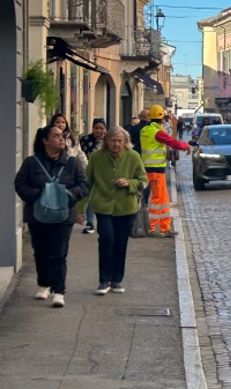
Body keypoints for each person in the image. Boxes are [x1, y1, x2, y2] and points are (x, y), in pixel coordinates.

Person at [14, 125, 89, 307]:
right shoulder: (32, 162)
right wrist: (38, 195)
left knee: (58, 252)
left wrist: (69, 195)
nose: (61, 139)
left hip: (63, 215)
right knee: (41, 251)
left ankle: (58, 290)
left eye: (62, 136)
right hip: (37, 214)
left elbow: (84, 185)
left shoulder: (72, 163)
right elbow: (20, 183)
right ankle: (43, 284)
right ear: (45, 141)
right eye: (55, 136)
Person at [81, 127, 148, 295]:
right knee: (106, 240)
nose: (116, 144)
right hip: (103, 206)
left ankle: (116, 280)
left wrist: (129, 183)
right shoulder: (96, 157)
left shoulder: (133, 156)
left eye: (120, 141)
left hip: (126, 207)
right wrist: (80, 209)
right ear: (106, 141)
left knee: (120, 243)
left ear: (125, 142)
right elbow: (87, 183)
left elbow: (143, 180)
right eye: (113, 140)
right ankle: (104, 280)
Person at [140, 105, 190, 237]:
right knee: (157, 199)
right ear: (162, 119)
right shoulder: (158, 132)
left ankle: (164, 227)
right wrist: (186, 146)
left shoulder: (145, 130)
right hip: (156, 170)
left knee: (162, 198)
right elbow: (172, 142)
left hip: (150, 168)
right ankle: (153, 227)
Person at [78, 118, 107, 234]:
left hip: (104, 173)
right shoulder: (85, 140)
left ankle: (102, 222)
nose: (99, 131)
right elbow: (81, 155)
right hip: (88, 172)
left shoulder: (109, 140)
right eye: (96, 128)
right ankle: (90, 222)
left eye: (101, 128)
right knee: (89, 197)